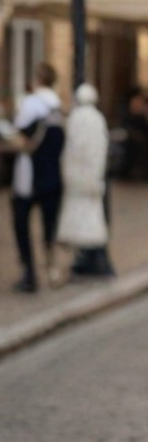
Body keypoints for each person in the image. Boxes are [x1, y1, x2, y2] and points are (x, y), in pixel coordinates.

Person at [6, 63, 65, 292]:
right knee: (49, 226)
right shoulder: (58, 106)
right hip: (53, 175)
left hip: (29, 175)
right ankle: (51, 269)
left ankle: (30, 272)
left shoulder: (31, 104)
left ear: (38, 79)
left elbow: (19, 138)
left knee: (22, 222)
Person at [58, 84, 115, 279]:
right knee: (91, 220)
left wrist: (69, 175)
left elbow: (72, 151)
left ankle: (94, 261)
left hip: (79, 179)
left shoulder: (76, 118)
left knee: (87, 221)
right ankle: (91, 260)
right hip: (91, 178)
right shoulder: (97, 119)